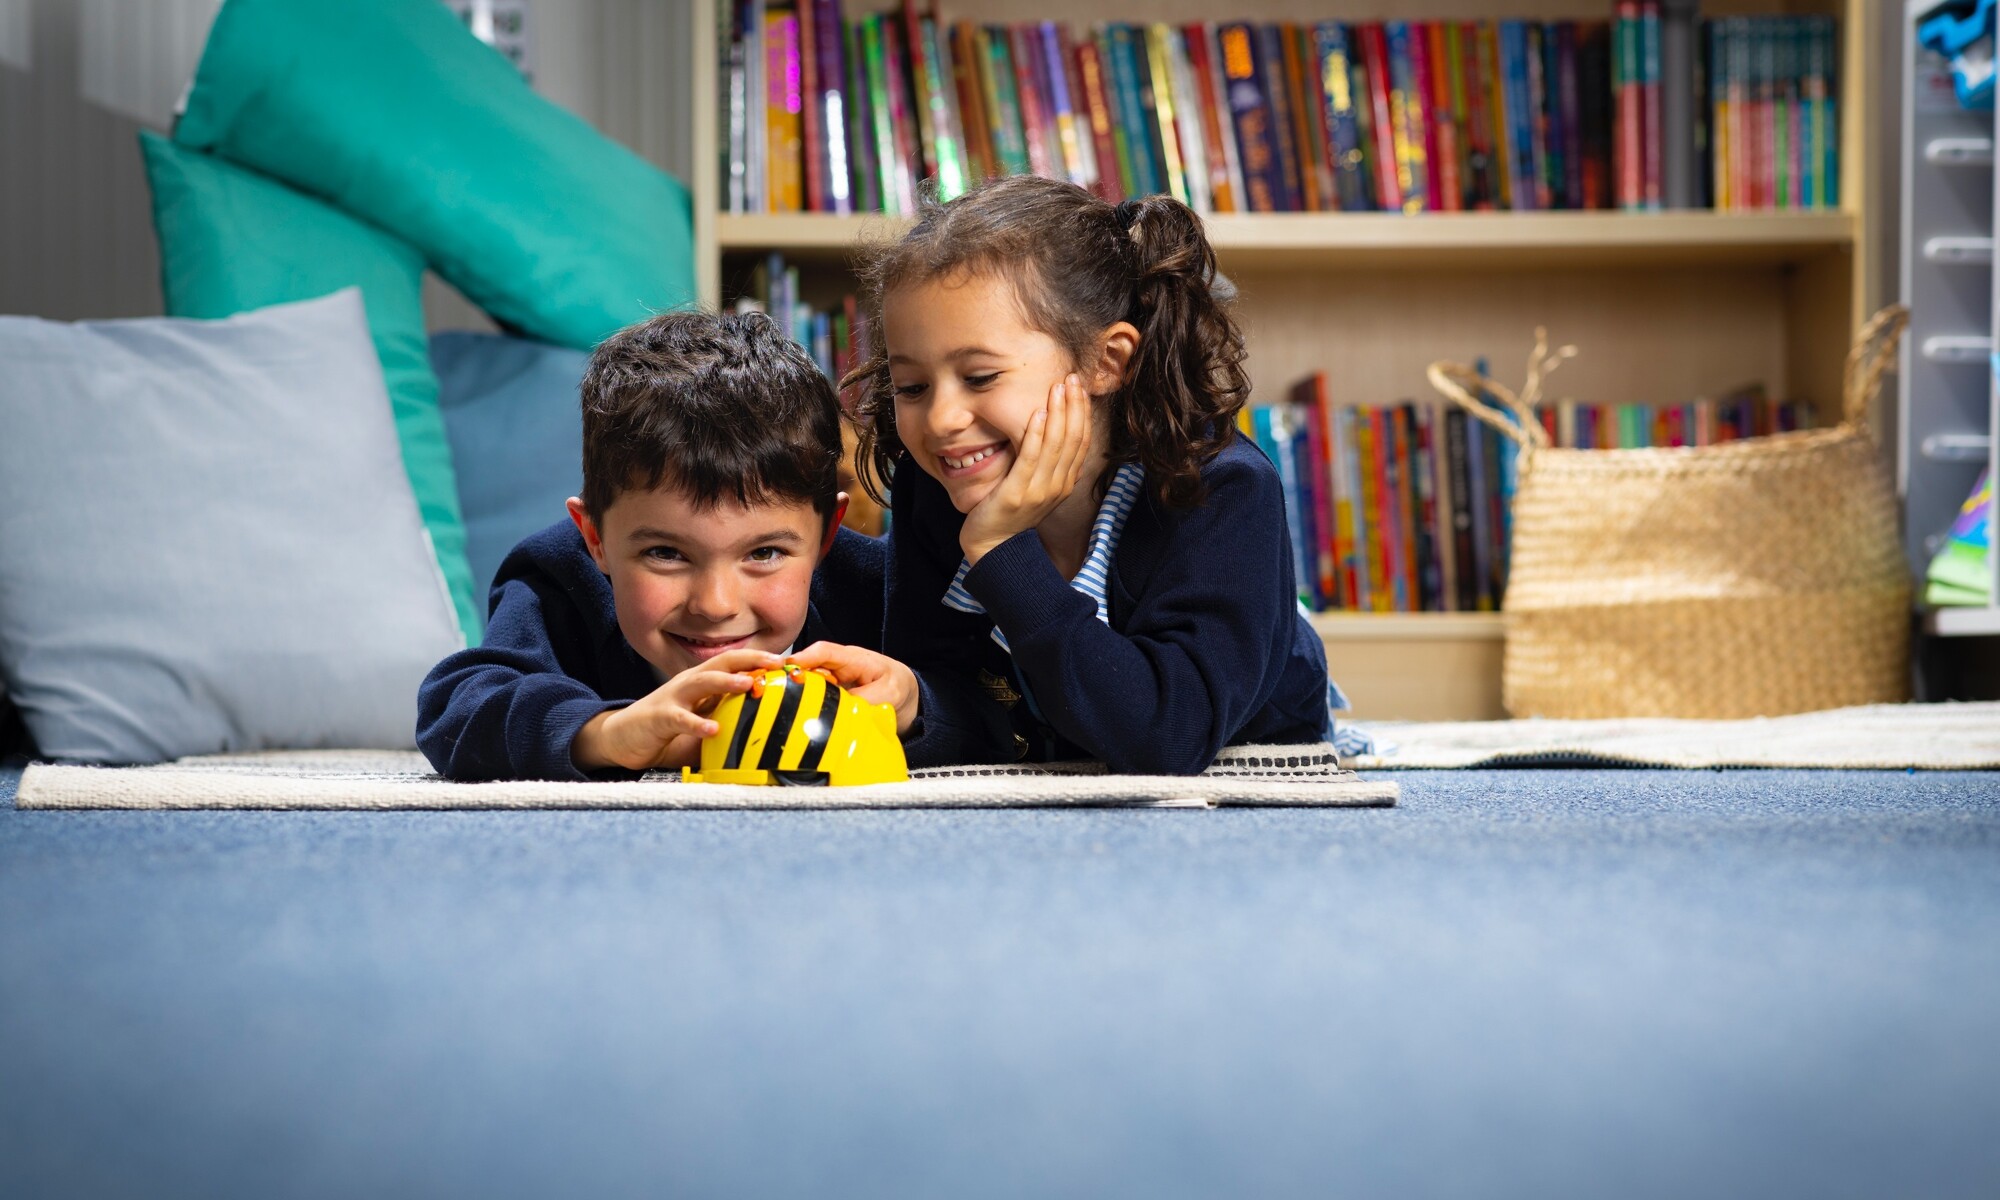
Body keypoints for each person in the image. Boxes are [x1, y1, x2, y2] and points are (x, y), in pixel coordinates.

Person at [839, 175, 1349, 775]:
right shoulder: (932, 489)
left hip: (1241, 745)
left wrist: (1001, 551)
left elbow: (1164, 739)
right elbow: (958, 703)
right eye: (912, 387)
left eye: (980, 378)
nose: (943, 419)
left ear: (1107, 362)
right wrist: (914, 702)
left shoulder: (1225, 489)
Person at [416, 310, 901, 781]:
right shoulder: (558, 581)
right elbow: (454, 707)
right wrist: (606, 735)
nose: (715, 605)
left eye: (764, 553)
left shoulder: (878, 588)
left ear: (826, 535)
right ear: (595, 538)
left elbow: (967, 698)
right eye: (666, 554)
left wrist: (912, 699)